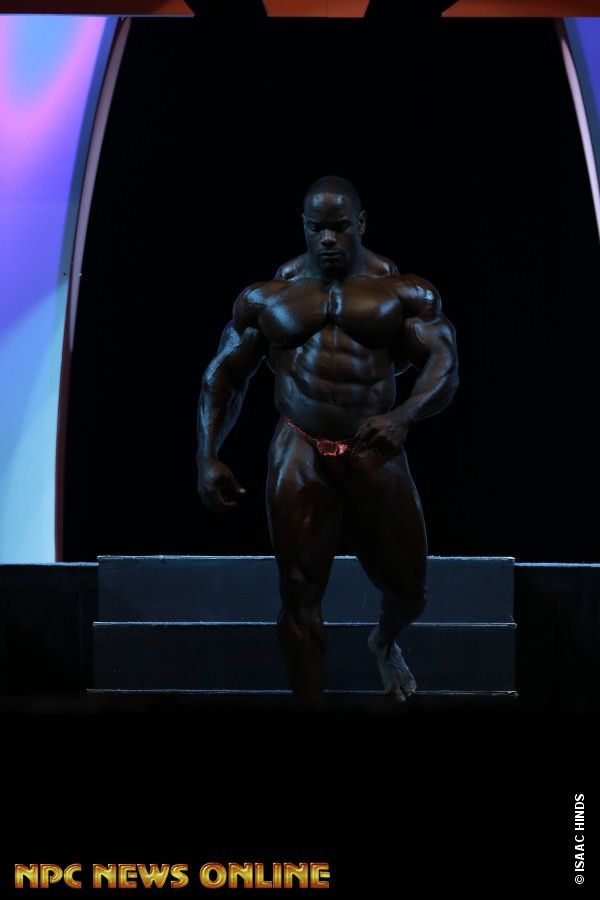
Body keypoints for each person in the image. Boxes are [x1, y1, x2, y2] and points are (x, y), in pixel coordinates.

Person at [196, 176, 459, 703]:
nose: (328, 239)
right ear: (304, 227)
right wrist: (207, 455)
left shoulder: (401, 291)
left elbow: (444, 363)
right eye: (317, 228)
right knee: (298, 592)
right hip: (300, 446)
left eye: (339, 227)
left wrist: (405, 415)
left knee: (410, 592)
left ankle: (384, 640)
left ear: (360, 223)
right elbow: (223, 376)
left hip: (373, 448)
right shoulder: (271, 296)